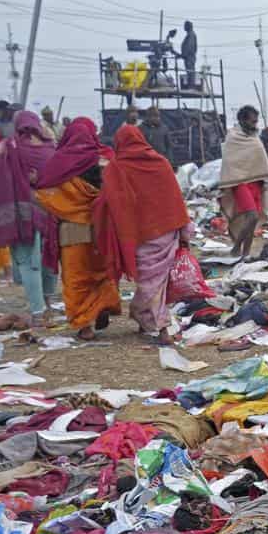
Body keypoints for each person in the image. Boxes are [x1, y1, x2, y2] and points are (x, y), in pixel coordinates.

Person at [93, 126, 192, 346]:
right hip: (165, 231)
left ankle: (157, 323)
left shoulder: (115, 169)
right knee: (155, 282)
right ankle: (157, 324)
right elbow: (175, 199)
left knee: (150, 282)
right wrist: (184, 230)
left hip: (136, 235)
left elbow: (107, 202)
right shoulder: (161, 163)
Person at [33, 118, 122, 341]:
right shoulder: (107, 158)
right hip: (102, 228)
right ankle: (102, 304)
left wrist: (66, 205)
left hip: (71, 230)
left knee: (76, 278)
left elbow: (42, 193)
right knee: (101, 272)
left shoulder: (58, 162)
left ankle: (84, 326)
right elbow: (120, 190)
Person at [0, 111, 58, 325]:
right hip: (49, 210)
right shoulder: (50, 148)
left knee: (28, 263)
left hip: (22, 212)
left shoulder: (9, 147)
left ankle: (37, 312)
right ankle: (48, 304)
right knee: (48, 260)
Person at [219, 105, 268, 257]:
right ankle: (236, 247)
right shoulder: (233, 137)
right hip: (239, 182)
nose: (255, 125)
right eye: (252, 122)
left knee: (252, 221)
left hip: (255, 181)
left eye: (256, 122)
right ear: (242, 120)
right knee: (252, 215)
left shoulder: (254, 137)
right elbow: (230, 162)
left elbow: (259, 159)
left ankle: (246, 254)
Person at [181, 21, 198, 87]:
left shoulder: (191, 34)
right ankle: (190, 85)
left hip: (189, 57)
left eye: (185, 25)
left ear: (188, 26)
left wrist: (184, 54)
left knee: (190, 70)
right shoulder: (190, 34)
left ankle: (191, 85)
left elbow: (189, 46)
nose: (184, 27)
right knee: (189, 71)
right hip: (188, 56)